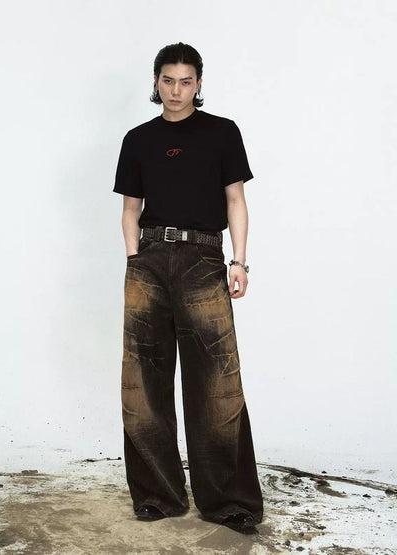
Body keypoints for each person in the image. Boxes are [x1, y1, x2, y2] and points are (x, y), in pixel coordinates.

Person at [113, 42, 264, 535]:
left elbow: (235, 199)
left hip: (204, 258)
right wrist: (135, 259)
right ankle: (157, 495)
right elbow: (131, 208)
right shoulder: (138, 139)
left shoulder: (222, 132)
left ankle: (229, 501)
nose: (175, 91)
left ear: (199, 83)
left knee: (217, 382)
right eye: (167, 80)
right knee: (144, 381)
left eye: (185, 81)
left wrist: (239, 260)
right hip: (150, 260)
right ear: (155, 82)